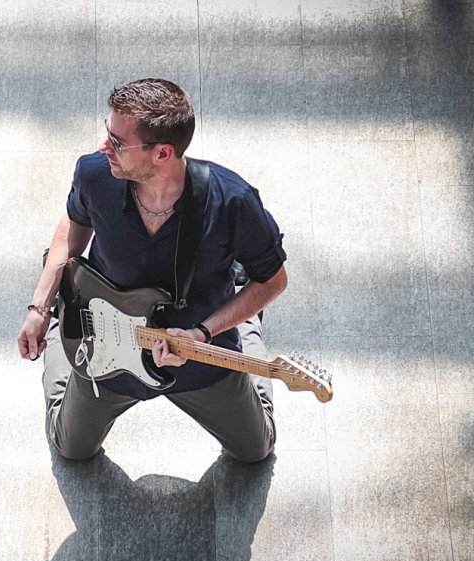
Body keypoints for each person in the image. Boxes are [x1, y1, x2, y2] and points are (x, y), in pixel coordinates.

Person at [16, 78, 288, 464]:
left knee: (256, 451)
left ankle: (243, 323)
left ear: (162, 153)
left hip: (198, 348)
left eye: (117, 142)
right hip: (107, 339)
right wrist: (40, 308)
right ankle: (66, 327)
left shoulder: (234, 201)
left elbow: (273, 280)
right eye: (107, 132)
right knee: (71, 448)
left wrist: (204, 331)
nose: (103, 147)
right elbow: (70, 230)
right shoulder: (94, 174)